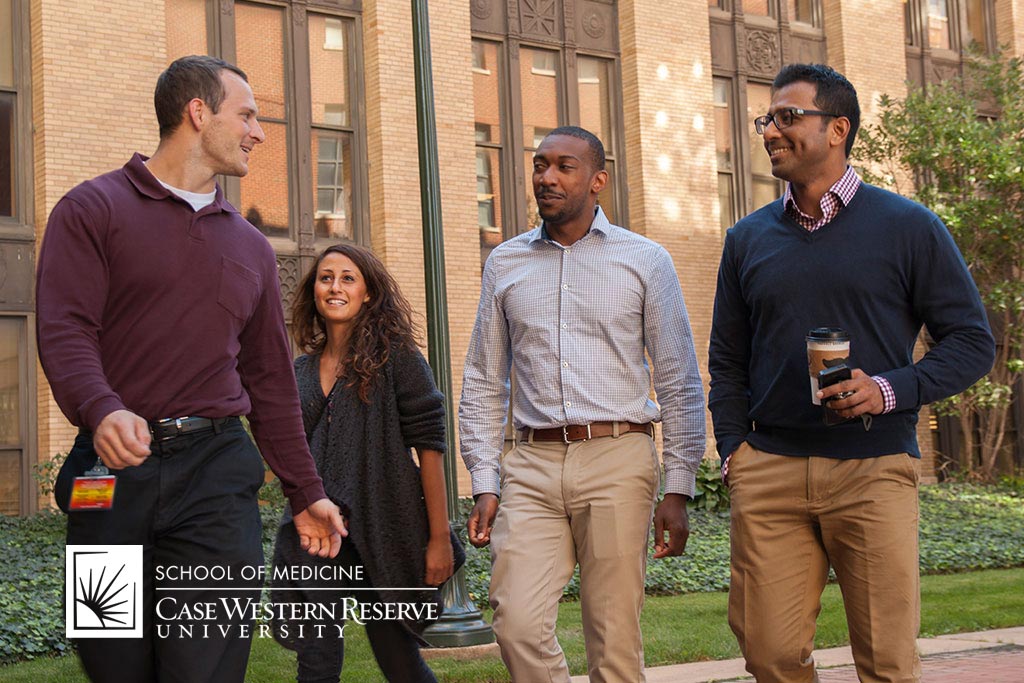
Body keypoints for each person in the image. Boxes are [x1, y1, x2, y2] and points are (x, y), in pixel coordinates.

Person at [36, 55, 346, 683]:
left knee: (205, 667)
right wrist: (102, 409)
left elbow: (270, 384)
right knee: (110, 658)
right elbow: (65, 330)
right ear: (198, 113)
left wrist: (306, 491)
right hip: (108, 476)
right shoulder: (91, 210)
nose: (259, 132)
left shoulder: (250, 247)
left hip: (215, 479)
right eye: (248, 115)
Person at [708, 63, 995, 683]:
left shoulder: (908, 227)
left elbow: (972, 343)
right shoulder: (747, 239)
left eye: (789, 117)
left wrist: (888, 389)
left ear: (837, 128)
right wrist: (735, 453)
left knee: (887, 661)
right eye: (767, 119)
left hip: (873, 471)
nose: (770, 131)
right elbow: (726, 362)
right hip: (771, 470)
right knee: (770, 655)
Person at [459, 125, 707, 683]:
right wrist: (484, 477)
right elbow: (483, 375)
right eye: (540, 164)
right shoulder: (504, 262)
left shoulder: (647, 260)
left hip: (618, 456)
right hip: (532, 461)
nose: (546, 177)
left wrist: (680, 485)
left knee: (613, 640)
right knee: (516, 621)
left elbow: (678, 379)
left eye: (564, 166)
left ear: (598, 181)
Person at [270, 243, 463, 683]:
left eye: (347, 278)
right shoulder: (299, 370)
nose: (334, 287)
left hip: (385, 524)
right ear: (314, 290)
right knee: (315, 658)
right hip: (318, 533)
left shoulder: (398, 358)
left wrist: (437, 538)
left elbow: (430, 448)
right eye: (325, 278)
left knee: (399, 662)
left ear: (368, 293)